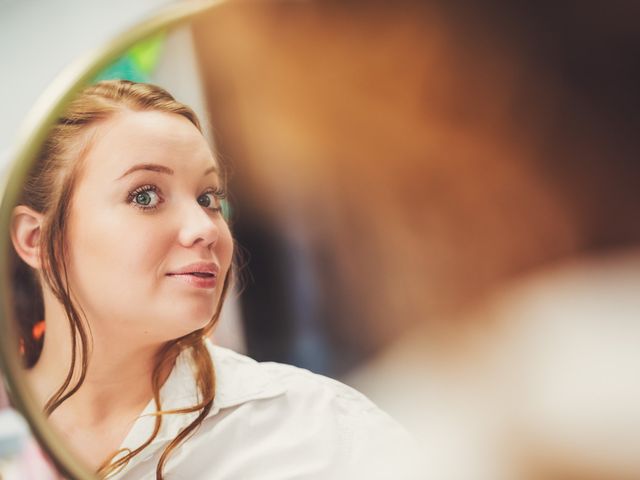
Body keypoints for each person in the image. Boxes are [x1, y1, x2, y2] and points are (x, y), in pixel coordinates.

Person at [8, 80, 412, 479]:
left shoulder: (320, 432)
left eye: (208, 198)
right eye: (145, 196)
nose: (205, 228)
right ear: (37, 239)